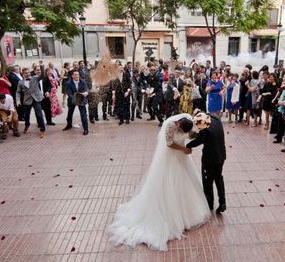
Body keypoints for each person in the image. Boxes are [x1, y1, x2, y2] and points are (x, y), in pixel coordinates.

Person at [107, 114, 211, 251]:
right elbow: (169, 143)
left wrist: (198, 131)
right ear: (178, 123)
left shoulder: (189, 122)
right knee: (170, 181)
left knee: (185, 180)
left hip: (182, 156)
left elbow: (191, 136)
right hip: (171, 154)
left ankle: (187, 212)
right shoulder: (170, 125)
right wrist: (183, 149)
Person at [187, 112, 227, 213]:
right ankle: (222, 203)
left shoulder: (205, 128)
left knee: (208, 182)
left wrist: (187, 146)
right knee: (219, 178)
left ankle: (209, 204)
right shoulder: (217, 120)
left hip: (210, 159)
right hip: (221, 156)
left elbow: (198, 141)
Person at [17, 66, 46, 138]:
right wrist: (17, 100)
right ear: (23, 74)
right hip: (27, 100)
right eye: (26, 73)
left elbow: (42, 75)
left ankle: (42, 130)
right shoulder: (20, 82)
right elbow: (18, 92)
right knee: (26, 115)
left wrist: (42, 66)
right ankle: (27, 125)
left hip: (36, 99)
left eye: (29, 72)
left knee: (39, 114)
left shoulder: (35, 78)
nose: (28, 74)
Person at [63, 70, 89, 135]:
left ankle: (86, 129)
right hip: (72, 100)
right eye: (75, 75)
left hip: (81, 100)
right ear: (72, 76)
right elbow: (69, 93)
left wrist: (86, 92)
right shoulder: (68, 83)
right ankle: (69, 125)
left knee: (83, 115)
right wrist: (75, 98)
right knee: (70, 114)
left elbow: (86, 89)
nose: (76, 76)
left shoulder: (83, 81)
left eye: (77, 74)